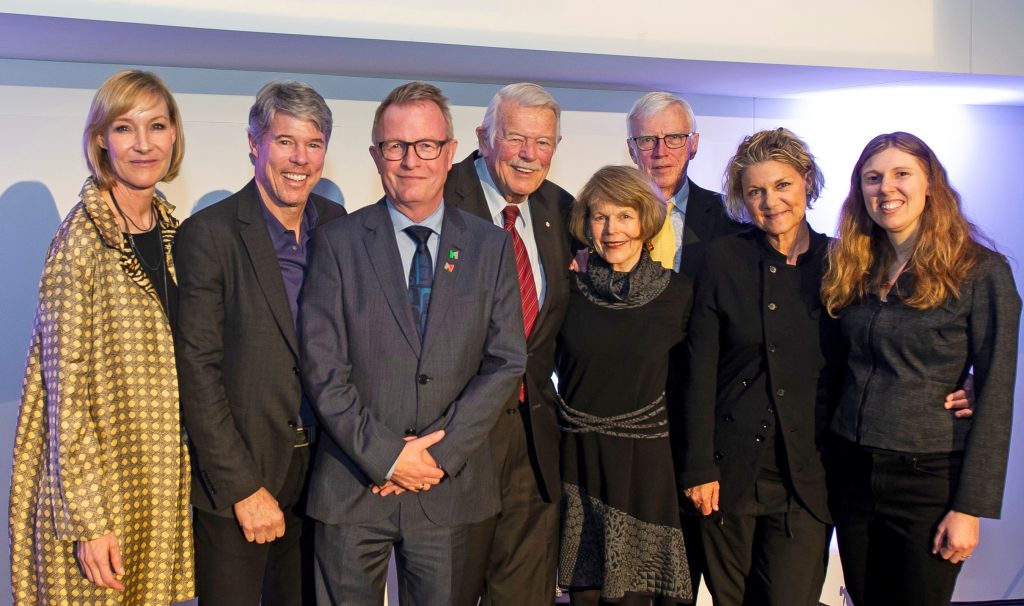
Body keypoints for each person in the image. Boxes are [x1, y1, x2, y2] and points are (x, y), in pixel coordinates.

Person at [299, 81, 527, 606]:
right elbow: (322, 367)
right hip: (353, 487)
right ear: (377, 155)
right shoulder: (337, 243)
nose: (411, 160)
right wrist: (386, 457)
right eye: (396, 146)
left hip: (449, 490)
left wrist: (436, 456)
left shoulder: (491, 247)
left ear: (450, 153)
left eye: (426, 145)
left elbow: (506, 361)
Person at [9, 69, 193, 604]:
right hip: (98, 501)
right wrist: (88, 522)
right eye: (124, 128)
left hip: (153, 492)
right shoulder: (80, 242)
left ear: (174, 135)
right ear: (100, 141)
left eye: (156, 126)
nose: (143, 144)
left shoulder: (171, 232)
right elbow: (63, 396)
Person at [821, 132, 1021, 605]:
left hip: (927, 478)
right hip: (852, 469)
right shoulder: (853, 264)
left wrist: (970, 508)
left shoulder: (980, 270)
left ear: (930, 183)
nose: (886, 188)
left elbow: (996, 395)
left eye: (901, 174)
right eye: (873, 178)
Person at [174, 80, 346, 605]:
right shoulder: (210, 234)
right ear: (255, 143)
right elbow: (197, 373)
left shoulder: (338, 227)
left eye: (313, 144)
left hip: (324, 474)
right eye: (285, 141)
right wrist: (244, 488)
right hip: (240, 480)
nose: (300, 159)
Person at [679, 128, 837, 606]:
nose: (770, 201)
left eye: (782, 185)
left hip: (807, 474)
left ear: (806, 181)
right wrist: (698, 466)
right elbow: (698, 371)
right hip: (727, 474)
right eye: (756, 191)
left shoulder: (841, 261)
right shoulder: (716, 260)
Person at [444, 82, 574, 605]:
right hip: (454, 436)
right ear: (484, 137)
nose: (529, 154)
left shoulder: (562, 211)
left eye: (542, 142)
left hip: (533, 441)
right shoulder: (435, 194)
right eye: (516, 138)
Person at [557, 165, 693, 605]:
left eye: (625, 216)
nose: (612, 229)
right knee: (585, 595)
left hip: (645, 467)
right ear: (586, 224)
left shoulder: (678, 294)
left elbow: (694, 385)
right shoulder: (567, 290)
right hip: (578, 462)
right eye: (600, 217)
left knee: (637, 596)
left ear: (645, 221)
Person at [626, 91, 744, 276]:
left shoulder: (730, 215)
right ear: (632, 151)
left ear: (693, 145)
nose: (661, 152)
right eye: (647, 140)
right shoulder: (607, 217)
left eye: (674, 138)